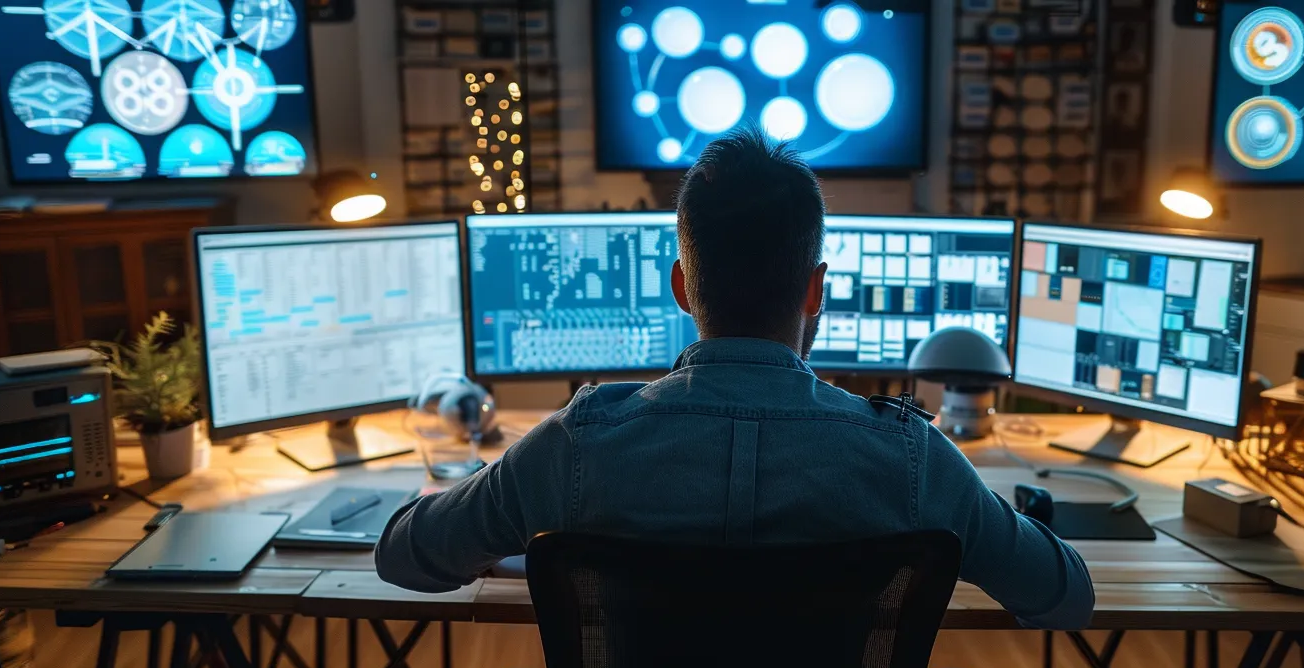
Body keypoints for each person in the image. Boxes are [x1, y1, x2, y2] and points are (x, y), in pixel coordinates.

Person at [375, 127, 1095, 630]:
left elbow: (403, 558)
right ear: (816, 291)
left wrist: (462, 491)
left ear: (681, 287)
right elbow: (1066, 599)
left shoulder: (573, 445)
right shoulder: (913, 458)